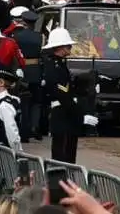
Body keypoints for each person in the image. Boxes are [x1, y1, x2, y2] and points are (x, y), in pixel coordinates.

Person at [43, 27, 97, 163]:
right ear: (60, 47)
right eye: (68, 45)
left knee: (69, 156)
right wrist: (81, 116)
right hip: (62, 115)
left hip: (66, 114)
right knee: (62, 157)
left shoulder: (60, 64)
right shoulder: (54, 66)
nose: (70, 47)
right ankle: (60, 184)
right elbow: (62, 95)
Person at [15, 9, 44, 141]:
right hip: (36, 70)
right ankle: (35, 127)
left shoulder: (17, 36)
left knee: (24, 102)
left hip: (23, 70)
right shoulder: (40, 37)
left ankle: (24, 129)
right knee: (37, 102)